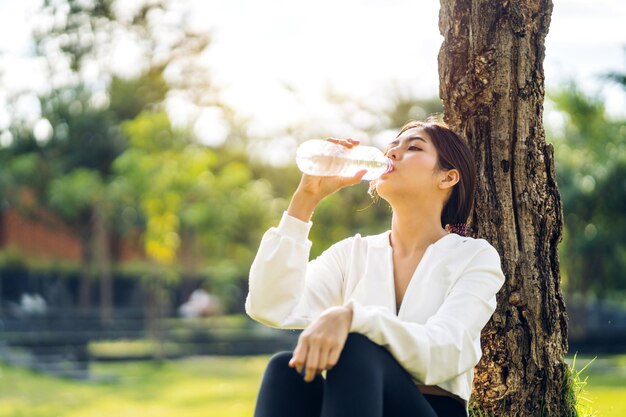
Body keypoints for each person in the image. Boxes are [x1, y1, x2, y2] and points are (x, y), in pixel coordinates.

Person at [245, 120, 506, 417]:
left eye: (413, 147)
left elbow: (446, 352)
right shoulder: (353, 253)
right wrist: (305, 200)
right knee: (285, 369)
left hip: (431, 409)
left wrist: (353, 318)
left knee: (357, 348)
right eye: (392, 146)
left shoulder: (474, 257)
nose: (392, 154)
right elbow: (270, 306)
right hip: (353, 403)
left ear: (447, 178)